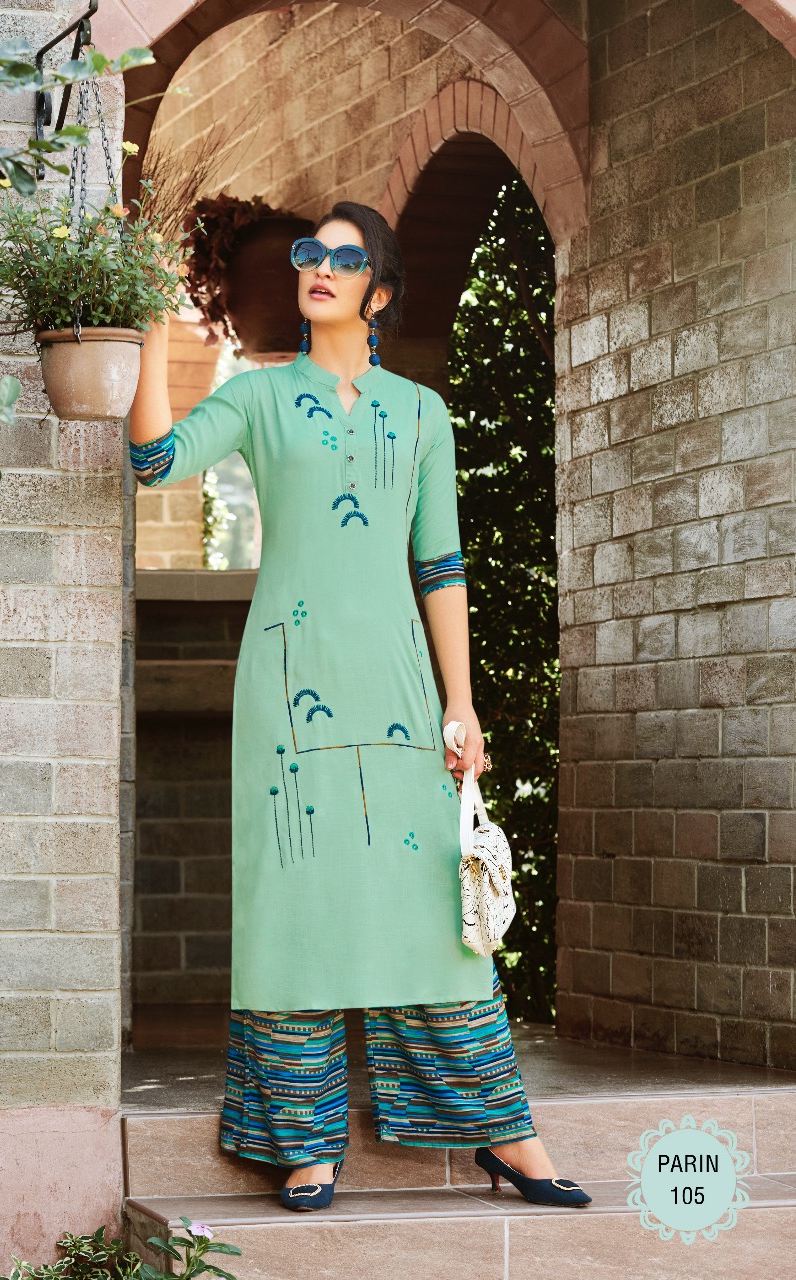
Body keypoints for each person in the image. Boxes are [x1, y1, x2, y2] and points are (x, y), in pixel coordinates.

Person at [127, 200, 591, 1212]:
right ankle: (304, 1140)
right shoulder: (259, 396)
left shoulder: (422, 413)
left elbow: (441, 565)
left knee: (430, 907)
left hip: (399, 686)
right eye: (310, 253)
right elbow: (156, 459)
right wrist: (149, 325)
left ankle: (504, 1131)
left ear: (379, 293)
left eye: (344, 259)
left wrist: (461, 703)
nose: (319, 268)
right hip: (286, 689)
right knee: (293, 901)